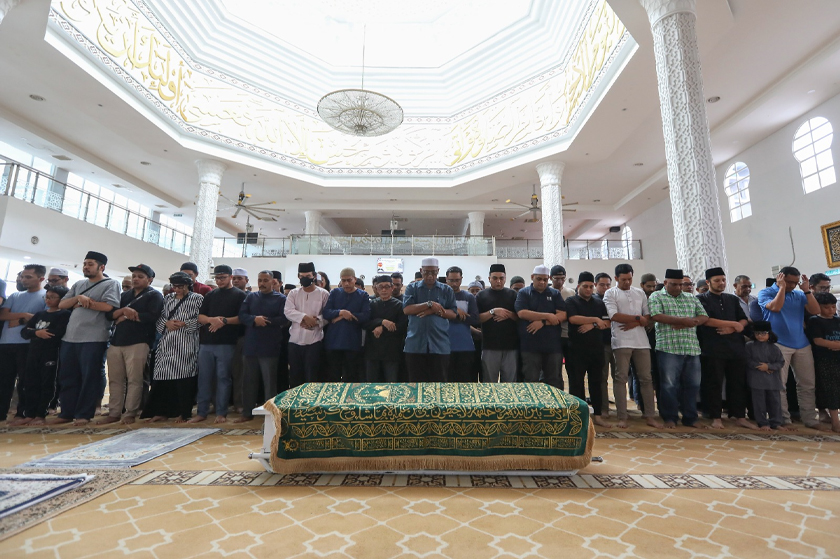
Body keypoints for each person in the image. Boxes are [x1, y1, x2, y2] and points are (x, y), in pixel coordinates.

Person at [52, 251, 121, 425]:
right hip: (70, 338)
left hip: (94, 338)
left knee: (89, 378)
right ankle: (66, 413)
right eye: (84, 264)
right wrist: (78, 298)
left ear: (101, 267)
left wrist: (81, 303)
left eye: (90, 264)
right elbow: (62, 304)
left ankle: (84, 413)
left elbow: (109, 306)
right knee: (67, 377)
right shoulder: (79, 284)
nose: (86, 267)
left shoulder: (111, 283)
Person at [758, 266, 826, 429]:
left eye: (795, 283)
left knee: (807, 384)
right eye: (789, 282)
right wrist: (782, 288)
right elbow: (776, 307)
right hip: (779, 344)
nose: (792, 286)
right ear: (780, 278)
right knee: (779, 385)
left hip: (801, 343)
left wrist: (806, 290)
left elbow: (815, 310)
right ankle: (783, 419)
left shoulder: (799, 294)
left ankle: (810, 419)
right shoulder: (766, 293)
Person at [99, 264, 163, 425]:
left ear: (150, 280)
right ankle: (114, 412)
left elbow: (153, 317)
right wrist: (123, 312)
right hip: (117, 341)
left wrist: (126, 316)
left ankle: (130, 412)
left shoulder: (154, 295)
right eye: (134, 276)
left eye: (140, 276)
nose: (136, 279)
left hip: (139, 342)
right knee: (115, 379)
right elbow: (110, 315)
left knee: (135, 380)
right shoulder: (124, 296)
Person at [603, 264, 663, 428]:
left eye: (629, 279)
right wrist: (637, 319)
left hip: (641, 342)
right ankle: (622, 416)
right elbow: (614, 315)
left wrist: (636, 322)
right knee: (620, 378)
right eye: (623, 279)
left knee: (646, 378)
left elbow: (647, 315)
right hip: (621, 341)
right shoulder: (610, 293)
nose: (627, 282)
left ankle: (649, 415)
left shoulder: (639, 292)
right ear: (616, 278)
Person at [648, 268, 708, 428]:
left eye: (681, 284)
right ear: (665, 282)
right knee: (669, 385)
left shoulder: (690, 297)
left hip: (691, 348)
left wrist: (691, 322)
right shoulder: (657, 296)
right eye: (674, 284)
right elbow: (656, 315)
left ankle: (690, 417)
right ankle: (670, 417)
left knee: (693, 385)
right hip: (668, 348)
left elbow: (703, 316)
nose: (678, 287)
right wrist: (683, 321)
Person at [696, 267, 755, 429]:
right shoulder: (700, 299)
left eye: (723, 280)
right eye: (717, 281)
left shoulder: (732, 299)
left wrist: (734, 327)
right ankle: (716, 417)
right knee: (714, 383)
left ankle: (739, 416)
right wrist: (733, 324)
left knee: (738, 383)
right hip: (713, 348)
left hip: (735, 347)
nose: (721, 283)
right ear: (708, 282)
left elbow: (743, 320)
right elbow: (706, 320)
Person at [142, 272, 203, 423]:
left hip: (186, 343)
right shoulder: (168, 298)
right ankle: (161, 412)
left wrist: (185, 324)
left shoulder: (198, 299)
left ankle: (183, 413)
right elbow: (160, 317)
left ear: (188, 285)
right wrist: (167, 323)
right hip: (166, 342)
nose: (177, 290)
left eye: (180, 286)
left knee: (184, 380)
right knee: (162, 379)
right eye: (175, 286)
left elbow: (201, 319)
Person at [190, 265, 247, 424]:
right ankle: (201, 412)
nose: (219, 281)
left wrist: (224, 321)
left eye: (223, 278)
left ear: (230, 277)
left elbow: (242, 318)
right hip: (206, 343)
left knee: (223, 378)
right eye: (217, 278)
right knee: (204, 378)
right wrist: (211, 320)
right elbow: (200, 317)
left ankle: (221, 412)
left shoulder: (240, 295)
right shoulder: (210, 295)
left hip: (227, 343)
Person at [10, 285, 71, 425]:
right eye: (47, 297)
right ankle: (29, 414)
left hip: (51, 353)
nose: (48, 300)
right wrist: (37, 333)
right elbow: (25, 332)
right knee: (30, 383)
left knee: (47, 383)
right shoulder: (40, 314)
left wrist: (38, 333)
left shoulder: (64, 314)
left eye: (52, 297)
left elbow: (57, 333)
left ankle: (41, 414)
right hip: (33, 352)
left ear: (62, 299)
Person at [236, 271, 288, 422]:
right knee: (248, 381)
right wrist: (254, 319)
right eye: (260, 280)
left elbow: (284, 319)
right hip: (251, 345)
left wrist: (265, 321)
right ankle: (247, 413)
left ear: (273, 282)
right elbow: (242, 315)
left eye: (265, 280)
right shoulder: (251, 297)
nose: (262, 283)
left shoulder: (281, 299)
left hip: (270, 346)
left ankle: (270, 415)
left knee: (269, 383)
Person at [0, 264, 47, 423]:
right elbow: (3, 315)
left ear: (41, 278)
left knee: (26, 381)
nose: (23, 280)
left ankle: (23, 413)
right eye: (22, 276)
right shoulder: (15, 295)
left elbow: (43, 318)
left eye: (28, 277)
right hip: (6, 342)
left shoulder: (45, 296)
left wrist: (19, 319)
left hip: (28, 343)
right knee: (3, 380)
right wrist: (25, 315)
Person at [565, 272, 612, 427]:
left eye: (591, 287)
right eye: (585, 286)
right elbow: (573, 319)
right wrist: (595, 320)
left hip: (596, 349)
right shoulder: (571, 301)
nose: (588, 289)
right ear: (578, 286)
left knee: (596, 383)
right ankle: (578, 416)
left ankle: (597, 415)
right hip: (576, 350)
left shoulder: (599, 303)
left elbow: (607, 323)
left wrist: (592, 325)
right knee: (576, 383)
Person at [402, 258, 457, 382]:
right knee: (416, 384)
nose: (430, 276)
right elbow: (407, 309)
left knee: (439, 384)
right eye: (426, 272)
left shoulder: (446, 290)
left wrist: (434, 311)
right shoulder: (412, 288)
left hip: (439, 345)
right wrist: (429, 304)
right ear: (421, 271)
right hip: (415, 345)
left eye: (433, 272)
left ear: (438, 271)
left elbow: (453, 313)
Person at [514, 265, 565, 386]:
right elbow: (522, 313)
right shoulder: (524, 293)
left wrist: (542, 322)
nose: (542, 282)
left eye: (545, 279)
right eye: (539, 279)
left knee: (554, 380)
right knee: (531, 380)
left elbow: (562, 315)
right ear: (532, 277)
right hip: (530, 345)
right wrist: (548, 316)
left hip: (552, 346)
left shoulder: (555, 294)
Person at [284, 262, 330, 387]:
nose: (304, 278)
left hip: (314, 341)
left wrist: (316, 321)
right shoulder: (293, 293)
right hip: (294, 341)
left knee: (312, 377)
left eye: (308, 276)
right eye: (302, 276)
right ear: (298, 276)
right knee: (295, 377)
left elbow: (327, 315)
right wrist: (304, 317)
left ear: (314, 276)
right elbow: (288, 311)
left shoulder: (323, 294)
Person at [323, 268, 371, 382]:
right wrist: (341, 312)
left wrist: (344, 315)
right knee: (333, 376)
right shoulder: (335, 293)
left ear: (355, 279)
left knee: (351, 376)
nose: (346, 283)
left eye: (349, 280)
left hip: (352, 342)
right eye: (343, 280)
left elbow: (365, 315)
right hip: (334, 341)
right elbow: (326, 312)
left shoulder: (363, 295)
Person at [476, 264, 519, 383]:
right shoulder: (481, 295)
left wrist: (507, 314)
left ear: (505, 278)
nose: (498, 281)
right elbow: (477, 319)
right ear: (489, 278)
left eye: (501, 278)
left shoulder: (513, 295)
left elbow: (520, 317)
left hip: (511, 347)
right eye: (495, 278)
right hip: (489, 346)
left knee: (509, 384)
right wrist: (493, 311)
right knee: (489, 383)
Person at [746, 321, 788, 431]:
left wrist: (769, 366)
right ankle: (762, 423)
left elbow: (781, 362)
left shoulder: (775, 348)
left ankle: (776, 422)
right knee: (759, 403)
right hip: (756, 379)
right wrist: (760, 366)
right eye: (757, 333)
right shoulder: (749, 346)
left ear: (769, 333)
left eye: (763, 333)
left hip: (773, 380)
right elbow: (747, 360)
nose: (760, 336)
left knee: (775, 402)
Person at [807, 293, 840, 432]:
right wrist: (835, 345)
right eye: (826, 307)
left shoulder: (837, 320)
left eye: (833, 307)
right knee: (831, 390)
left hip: (837, 359)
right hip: (824, 360)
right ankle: (835, 422)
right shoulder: (815, 320)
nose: (831, 310)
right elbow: (818, 341)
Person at [364, 276, 407, 382]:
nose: (384, 290)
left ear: (392, 288)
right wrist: (382, 322)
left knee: (391, 384)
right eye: (380, 287)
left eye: (387, 287)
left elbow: (402, 327)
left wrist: (382, 328)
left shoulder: (399, 305)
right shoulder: (371, 304)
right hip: (373, 351)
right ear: (376, 288)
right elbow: (365, 323)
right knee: (372, 384)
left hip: (391, 351)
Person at [445, 266, 479, 382]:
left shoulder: (468, 297)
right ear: (446, 279)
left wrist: (451, 314)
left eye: (457, 280)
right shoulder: (441, 297)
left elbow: (474, 319)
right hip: (444, 346)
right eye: (451, 280)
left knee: (465, 382)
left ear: (461, 279)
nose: (454, 284)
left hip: (465, 345)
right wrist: (456, 312)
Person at [594, 272, 615, 417]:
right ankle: (603, 408)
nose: (605, 287)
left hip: (617, 342)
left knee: (618, 377)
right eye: (602, 285)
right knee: (602, 377)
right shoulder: (594, 301)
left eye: (608, 285)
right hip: (600, 344)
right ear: (596, 285)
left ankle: (621, 408)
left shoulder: (614, 298)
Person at [550, 265, 576, 360]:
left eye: (562, 278)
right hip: (552, 334)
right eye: (556, 279)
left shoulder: (571, 292)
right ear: (550, 278)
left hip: (568, 333)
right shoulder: (547, 292)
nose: (560, 281)